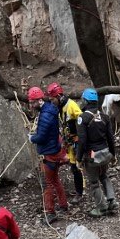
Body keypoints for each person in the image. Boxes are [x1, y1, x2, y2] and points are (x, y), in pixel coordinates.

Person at [28, 85, 68, 224]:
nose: (31, 106)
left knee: (48, 184)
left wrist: (31, 138)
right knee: (55, 180)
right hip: (55, 150)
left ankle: (50, 213)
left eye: (33, 103)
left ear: (39, 101)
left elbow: (42, 137)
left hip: (50, 153)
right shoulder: (50, 110)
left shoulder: (45, 115)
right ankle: (63, 204)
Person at [75, 88, 116, 218]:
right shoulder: (104, 117)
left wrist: (79, 157)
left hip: (92, 155)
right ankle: (112, 200)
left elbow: (82, 141)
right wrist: (113, 154)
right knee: (104, 176)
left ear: (85, 101)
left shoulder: (82, 118)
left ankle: (102, 207)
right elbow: (110, 137)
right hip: (105, 152)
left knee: (94, 182)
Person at [47, 82, 84, 203]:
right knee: (73, 167)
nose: (51, 101)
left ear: (58, 96)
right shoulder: (60, 107)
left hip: (76, 141)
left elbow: (82, 120)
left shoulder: (71, 105)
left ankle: (79, 193)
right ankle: (79, 190)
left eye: (52, 99)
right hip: (69, 141)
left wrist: (80, 138)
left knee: (76, 167)